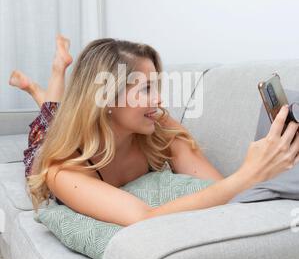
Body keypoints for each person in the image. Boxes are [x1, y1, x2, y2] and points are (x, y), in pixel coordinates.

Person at [9, 35, 299, 227]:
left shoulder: (159, 126)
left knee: (56, 111)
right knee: (49, 115)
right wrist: (249, 174)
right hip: (50, 144)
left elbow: (214, 187)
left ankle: (53, 77)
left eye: (156, 87)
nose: (159, 100)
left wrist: (267, 170)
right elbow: (142, 218)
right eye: (146, 89)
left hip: (89, 121)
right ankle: (54, 72)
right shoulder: (63, 169)